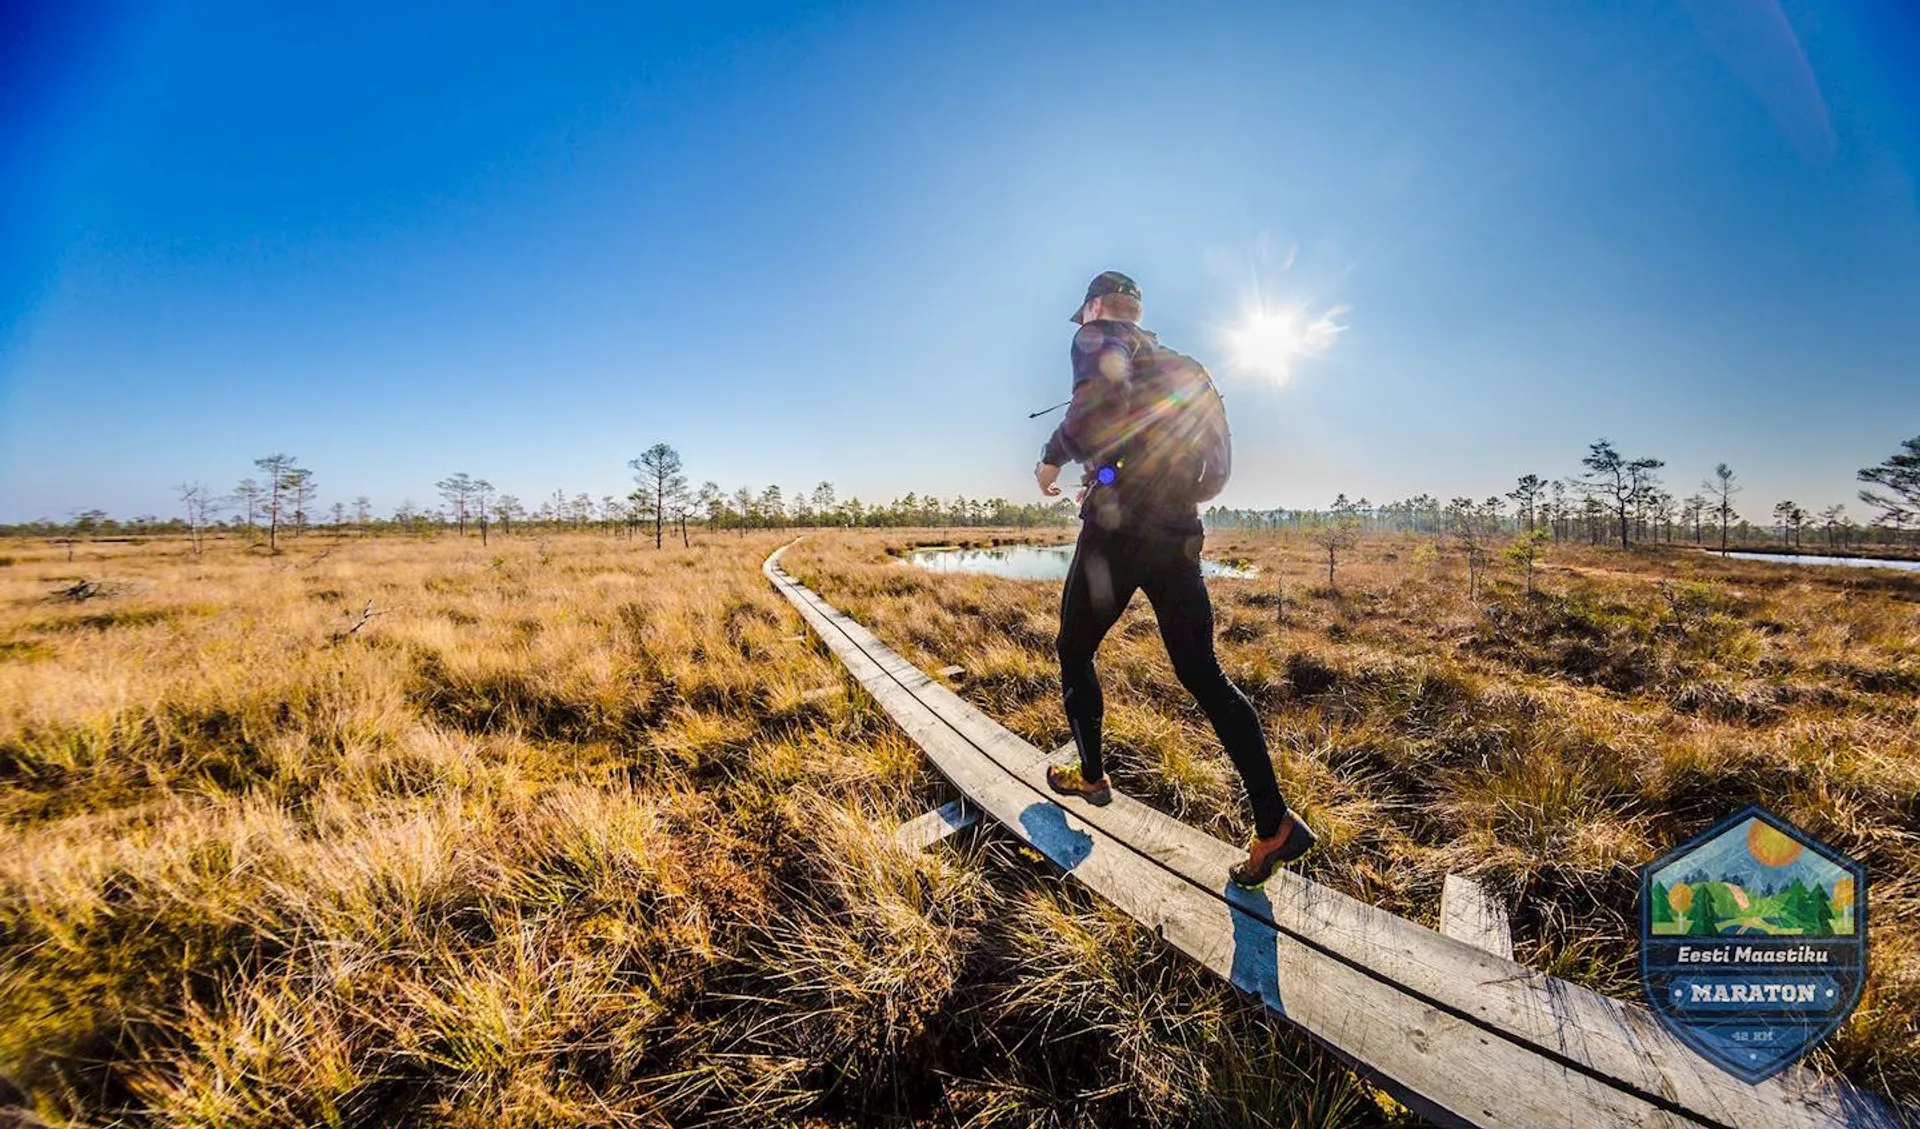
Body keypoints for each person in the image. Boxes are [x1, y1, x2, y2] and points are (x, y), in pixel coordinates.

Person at [1034, 270, 1316, 889]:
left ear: (1100, 308)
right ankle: (1274, 825)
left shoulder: (1099, 335)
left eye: (1084, 315)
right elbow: (1213, 469)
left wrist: (1053, 456)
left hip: (1117, 536)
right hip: (1179, 530)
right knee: (1203, 673)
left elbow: (1095, 409)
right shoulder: (1189, 368)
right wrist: (1128, 482)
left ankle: (1090, 774)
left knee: (1074, 648)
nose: (1083, 327)